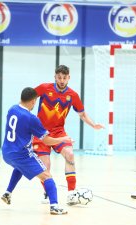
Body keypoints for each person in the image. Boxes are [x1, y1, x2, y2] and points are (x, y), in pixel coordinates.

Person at [33, 65, 104, 205]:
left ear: (68, 78)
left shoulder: (72, 95)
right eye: (59, 77)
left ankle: (71, 193)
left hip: (59, 132)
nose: (61, 80)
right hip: (40, 133)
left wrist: (93, 125)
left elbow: (82, 114)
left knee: (70, 154)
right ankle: (48, 192)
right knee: (45, 166)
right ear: (55, 77)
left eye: (64, 78)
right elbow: (28, 98)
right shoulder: (44, 88)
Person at [1, 87, 74, 215]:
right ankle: (54, 206)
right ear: (33, 101)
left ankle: (7, 193)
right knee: (47, 176)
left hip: (6, 153)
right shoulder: (31, 118)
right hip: (21, 154)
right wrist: (63, 139)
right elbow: (46, 141)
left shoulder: (12, 109)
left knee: (19, 167)